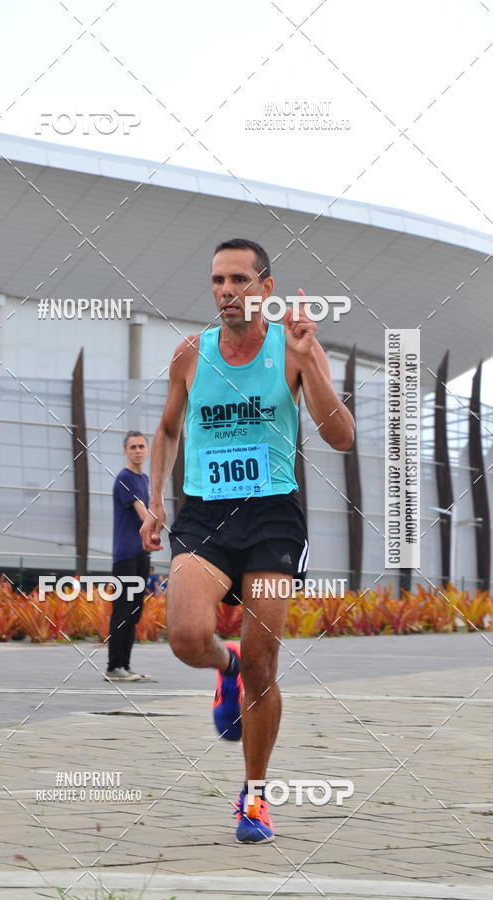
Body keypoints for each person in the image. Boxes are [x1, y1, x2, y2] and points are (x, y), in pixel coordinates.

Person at [140, 238, 354, 842]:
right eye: (217, 280)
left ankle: (255, 795)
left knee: (264, 663)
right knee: (185, 636)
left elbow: (341, 436)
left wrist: (310, 361)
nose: (226, 291)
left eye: (238, 279)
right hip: (205, 516)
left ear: (265, 288)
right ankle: (221, 663)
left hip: (271, 519)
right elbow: (164, 429)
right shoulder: (190, 355)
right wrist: (155, 498)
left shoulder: (293, 350)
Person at [105, 431, 154, 683]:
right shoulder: (125, 478)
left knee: (134, 611)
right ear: (125, 451)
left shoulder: (143, 478)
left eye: (141, 446)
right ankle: (114, 666)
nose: (137, 450)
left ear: (147, 450)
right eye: (132, 446)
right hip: (125, 555)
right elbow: (143, 513)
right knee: (122, 610)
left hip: (141, 553)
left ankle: (124, 666)